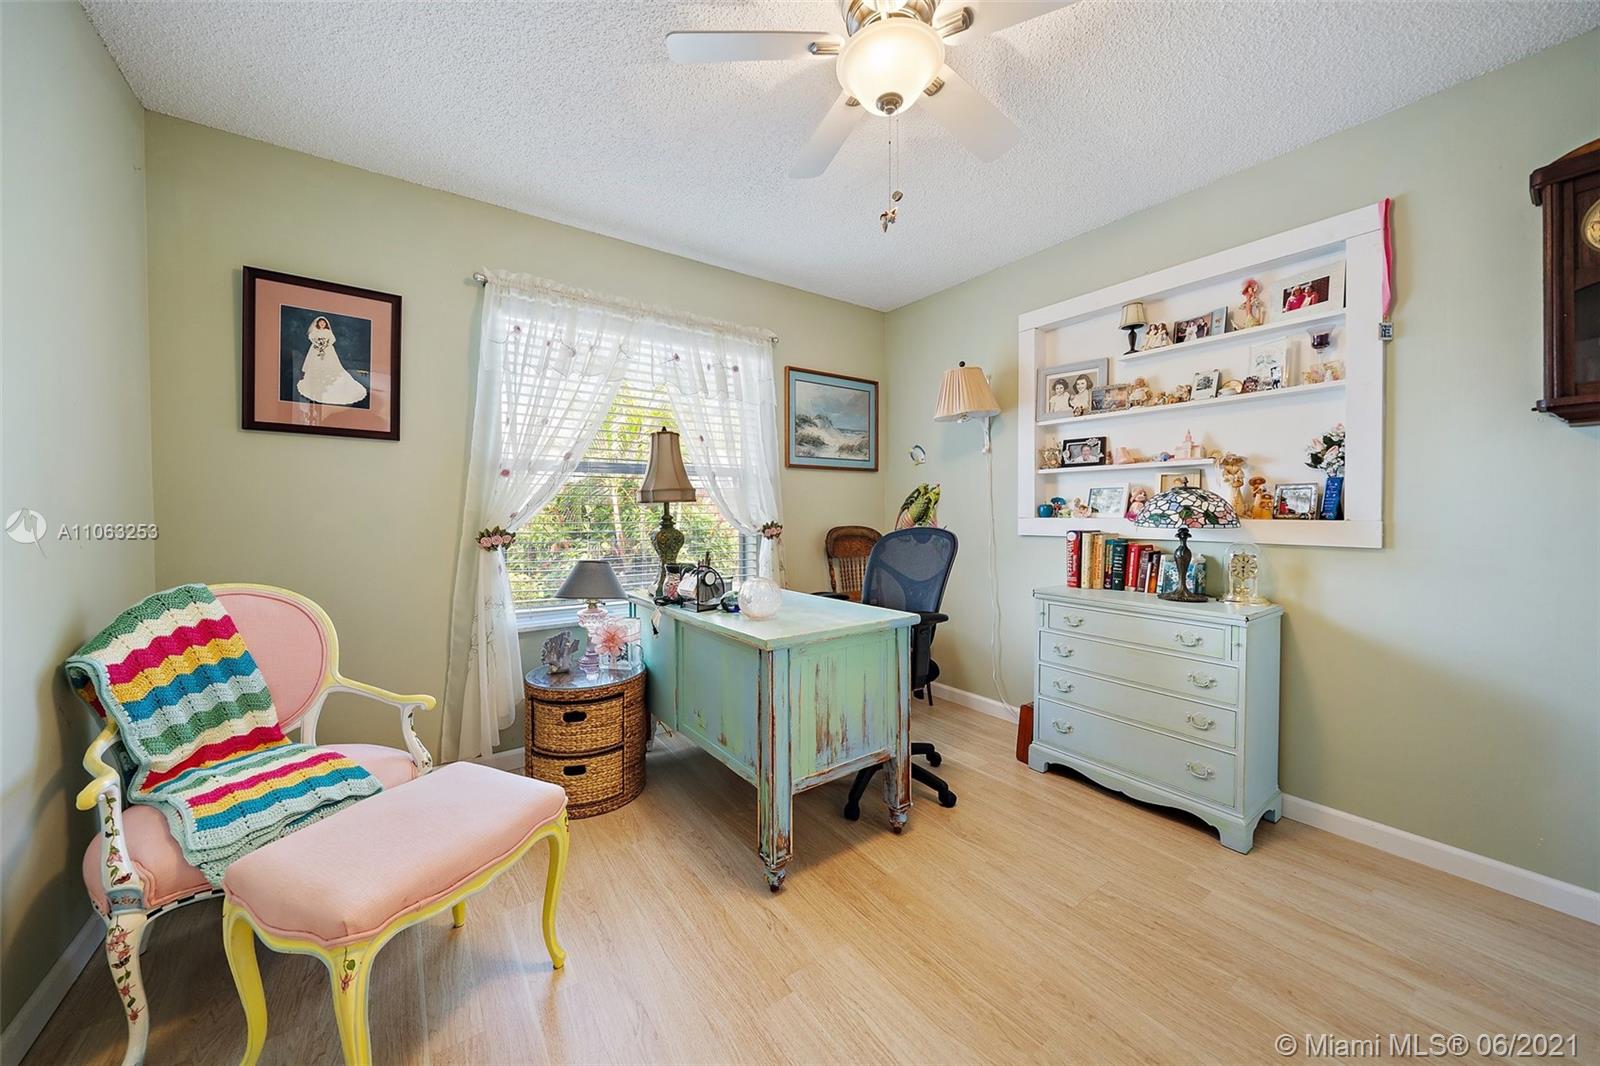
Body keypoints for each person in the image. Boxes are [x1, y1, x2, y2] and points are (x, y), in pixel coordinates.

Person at [296, 316, 367, 406]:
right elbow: (311, 337)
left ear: (326, 324)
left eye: (324, 323)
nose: (322, 324)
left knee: (330, 364)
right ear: (317, 323)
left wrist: (326, 344)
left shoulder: (328, 332)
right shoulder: (315, 331)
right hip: (316, 350)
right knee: (316, 363)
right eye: (320, 323)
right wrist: (318, 344)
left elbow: (333, 339)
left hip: (328, 350)